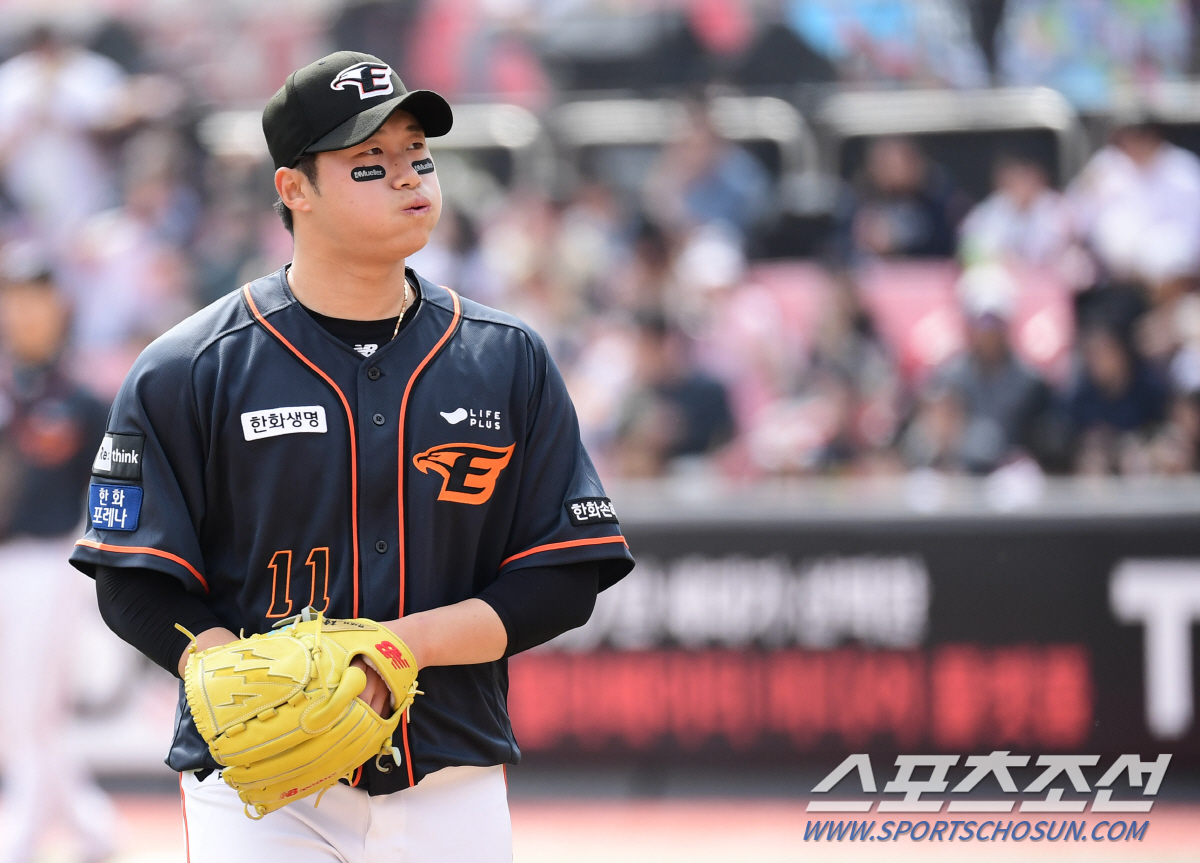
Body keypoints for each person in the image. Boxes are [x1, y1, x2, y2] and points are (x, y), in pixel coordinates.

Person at [70, 51, 634, 862]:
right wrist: (226, 666)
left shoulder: (506, 357)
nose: (409, 177)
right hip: (261, 784)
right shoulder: (189, 367)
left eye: (419, 155)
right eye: (370, 161)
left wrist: (404, 646)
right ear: (294, 189)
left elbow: (563, 576)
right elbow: (132, 578)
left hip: (449, 769)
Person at [0, 251, 113, 863]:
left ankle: (21, 833)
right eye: (13, 297)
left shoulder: (80, 397)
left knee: (29, 705)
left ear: (59, 306)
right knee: (22, 711)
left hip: (51, 561)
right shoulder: (7, 389)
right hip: (5, 560)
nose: (23, 310)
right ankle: (92, 827)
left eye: (35, 297)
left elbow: (110, 490)